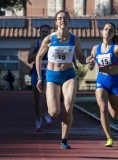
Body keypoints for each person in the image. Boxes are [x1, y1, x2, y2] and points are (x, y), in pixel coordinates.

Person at [35, 10, 92, 149]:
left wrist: (88, 60)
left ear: (68, 21)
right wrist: (39, 77)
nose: (62, 20)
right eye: (60, 18)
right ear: (56, 22)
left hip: (68, 75)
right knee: (54, 112)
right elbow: (38, 57)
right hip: (52, 76)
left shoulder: (75, 39)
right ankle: (54, 110)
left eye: (65, 18)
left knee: (68, 108)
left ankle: (64, 139)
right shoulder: (49, 39)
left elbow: (81, 58)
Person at [87, 22, 118, 147]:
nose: (107, 31)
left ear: (113, 34)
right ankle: (109, 137)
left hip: (115, 81)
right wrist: (90, 63)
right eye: (106, 29)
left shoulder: (117, 48)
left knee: (114, 115)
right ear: (102, 31)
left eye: (111, 30)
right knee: (103, 109)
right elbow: (91, 67)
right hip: (101, 80)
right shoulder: (95, 49)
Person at [28, 24, 52, 132]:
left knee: (48, 96)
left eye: (47, 32)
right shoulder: (35, 43)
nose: (44, 33)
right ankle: (38, 118)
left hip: (49, 72)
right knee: (37, 99)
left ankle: (47, 113)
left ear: (50, 33)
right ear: (39, 32)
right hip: (36, 72)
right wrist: (39, 53)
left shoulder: (53, 43)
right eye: (43, 32)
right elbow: (29, 60)